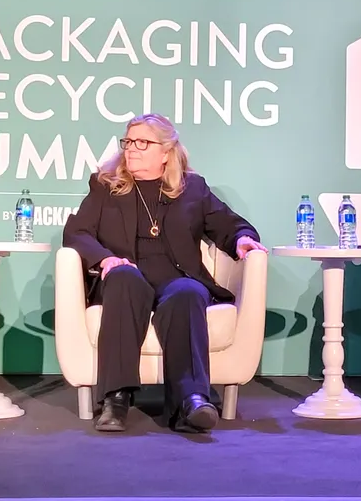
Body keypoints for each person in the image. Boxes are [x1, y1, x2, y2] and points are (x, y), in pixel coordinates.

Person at [63, 113, 267, 433]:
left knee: (188, 292)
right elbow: (77, 233)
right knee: (124, 279)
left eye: (142, 143)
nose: (131, 149)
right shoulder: (106, 186)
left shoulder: (192, 188)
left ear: (166, 152)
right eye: (128, 141)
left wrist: (242, 239)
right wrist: (105, 260)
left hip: (177, 277)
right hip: (128, 275)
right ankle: (115, 398)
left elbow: (227, 224)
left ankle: (192, 400)